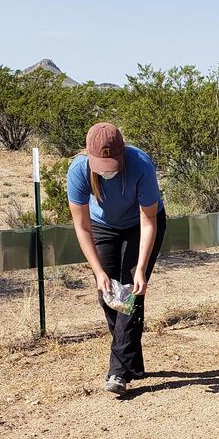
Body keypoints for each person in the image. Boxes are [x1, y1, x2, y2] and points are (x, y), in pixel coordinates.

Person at [67, 122, 166, 397]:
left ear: (122, 153)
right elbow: (82, 227)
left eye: (111, 163)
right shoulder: (78, 171)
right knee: (108, 295)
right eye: (101, 164)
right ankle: (131, 360)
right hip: (102, 226)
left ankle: (119, 371)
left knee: (130, 294)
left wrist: (141, 269)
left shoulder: (140, 165)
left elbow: (149, 221)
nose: (107, 170)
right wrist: (97, 271)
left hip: (141, 225)